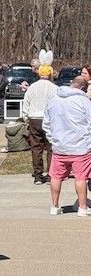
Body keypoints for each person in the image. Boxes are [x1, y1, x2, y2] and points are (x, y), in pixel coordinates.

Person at [43, 76, 91, 216]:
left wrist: (53, 139)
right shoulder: (84, 101)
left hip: (59, 146)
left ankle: (54, 206)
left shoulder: (54, 99)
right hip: (80, 147)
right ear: (82, 88)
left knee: (56, 177)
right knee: (81, 178)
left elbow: (47, 123)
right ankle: (82, 207)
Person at [22, 61, 57, 184]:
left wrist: (26, 119)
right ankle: (51, 175)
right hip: (49, 119)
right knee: (51, 148)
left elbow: (26, 104)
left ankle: (37, 175)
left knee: (36, 148)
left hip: (34, 119)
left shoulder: (32, 87)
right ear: (50, 74)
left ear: (39, 73)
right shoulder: (55, 88)